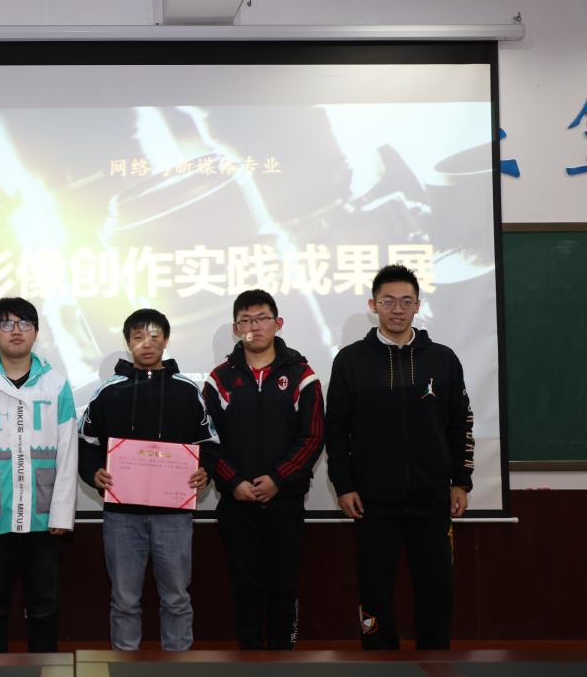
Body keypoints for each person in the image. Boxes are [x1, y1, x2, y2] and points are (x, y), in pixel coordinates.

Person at [325, 264, 474, 650]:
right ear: (373, 305)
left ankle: (435, 660)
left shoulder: (442, 359)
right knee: (374, 590)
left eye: (407, 301)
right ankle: (379, 662)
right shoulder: (350, 361)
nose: (397, 309)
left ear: (417, 306)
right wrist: (344, 485)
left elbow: (460, 424)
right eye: (388, 301)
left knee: (437, 589)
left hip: (432, 499)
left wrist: (461, 481)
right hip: (373, 501)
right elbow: (336, 429)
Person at [78, 308, 216, 651]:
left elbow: (209, 443)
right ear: (128, 343)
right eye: (138, 337)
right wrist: (93, 472)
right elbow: (85, 444)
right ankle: (124, 667)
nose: (147, 343)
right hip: (122, 516)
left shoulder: (188, 390)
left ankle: (177, 666)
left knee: (176, 598)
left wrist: (205, 470)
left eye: (154, 336)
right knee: (124, 600)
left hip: (174, 516)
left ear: (166, 340)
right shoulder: (108, 391)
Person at [0, 297, 78, 653]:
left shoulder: (56, 385)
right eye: (6, 324)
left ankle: (46, 670)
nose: (16, 331)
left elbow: (68, 454)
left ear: (36, 332)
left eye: (24, 323)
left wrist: (61, 514)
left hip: (43, 521)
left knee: (44, 608)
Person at [201, 290, 324, 650]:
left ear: (277, 323)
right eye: (246, 320)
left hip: (285, 500)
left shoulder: (302, 375)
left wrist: (278, 479)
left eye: (262, 318)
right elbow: (208, 439)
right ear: (236, 328)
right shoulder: (218, 379)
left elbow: (313, 436)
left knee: (284, 585)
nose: (254, 326)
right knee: (245, 585)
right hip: (236, 502)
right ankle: (250, 659)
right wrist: (234, 481)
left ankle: (284, 656)